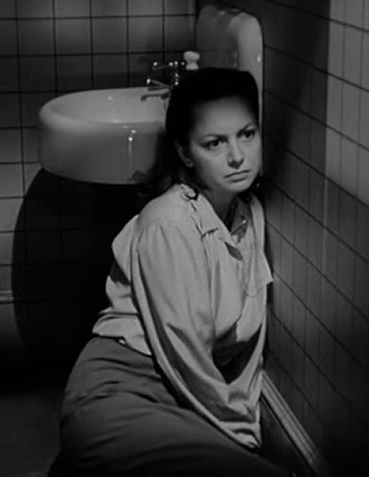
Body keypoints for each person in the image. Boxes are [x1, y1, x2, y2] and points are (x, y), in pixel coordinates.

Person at [59, 68, 288, 477]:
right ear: (185, 153)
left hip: (185, 400)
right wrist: (240, 432)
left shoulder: (247, 214)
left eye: (247, 134)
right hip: (121, 394)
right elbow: (184, 353)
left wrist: (243, 421)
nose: (237, 156)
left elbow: (250, 344)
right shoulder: (170, 222)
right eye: (215, 143)